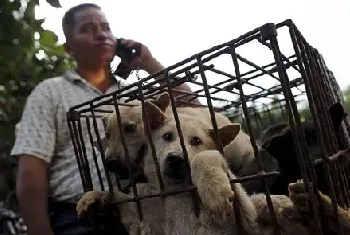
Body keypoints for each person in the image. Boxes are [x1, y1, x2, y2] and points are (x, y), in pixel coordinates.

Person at [11, 3, 199, 235]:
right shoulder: (49, 92)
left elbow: (193, 106)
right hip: (81, 217)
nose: (101, 34)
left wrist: (149, 62)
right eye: (88, 29)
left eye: (106, 28)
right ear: (69, 47)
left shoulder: (135, 95)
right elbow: (32, 167)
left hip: (144, 206)